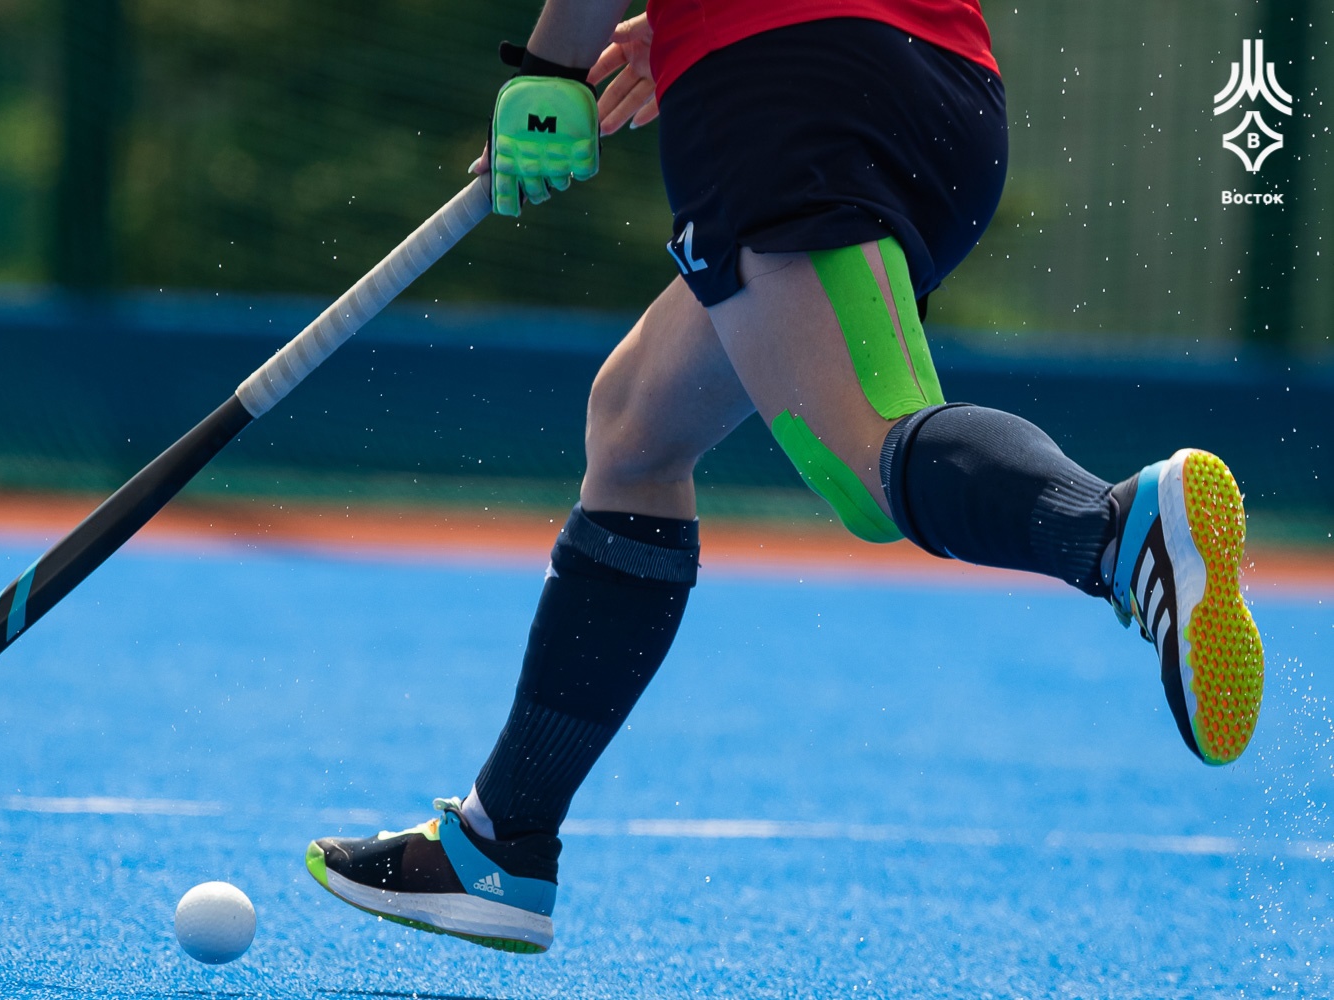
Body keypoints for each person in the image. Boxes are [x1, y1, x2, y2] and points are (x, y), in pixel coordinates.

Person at [303, 0, 1265, 954]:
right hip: (946, 89)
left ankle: (1115, 532)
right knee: (636, 429)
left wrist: (549, 77)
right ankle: (499, 842)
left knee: (866, 448)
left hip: (779, 77)